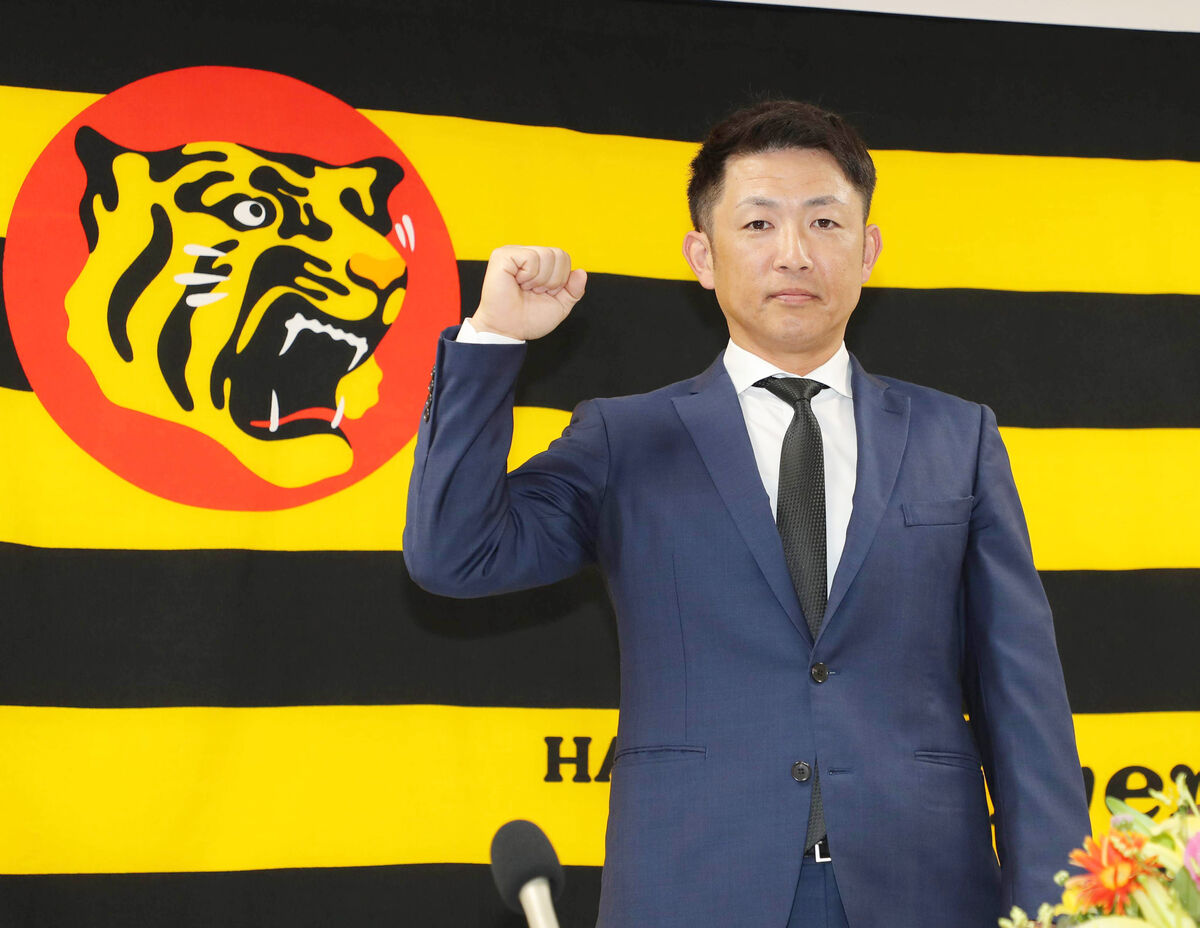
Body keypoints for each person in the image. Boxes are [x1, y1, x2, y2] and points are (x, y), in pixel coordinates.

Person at [404, 101, 1090, 927]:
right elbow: (455, 553)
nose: (794, 252)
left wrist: (1062, 906)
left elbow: (1024, 701)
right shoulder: (627, 438)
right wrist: (494, 338)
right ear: (702, 256)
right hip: (693, 889)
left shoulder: (958, 437)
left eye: (825, 222)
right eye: (758, 223)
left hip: (924, 889)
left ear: (868, 250)